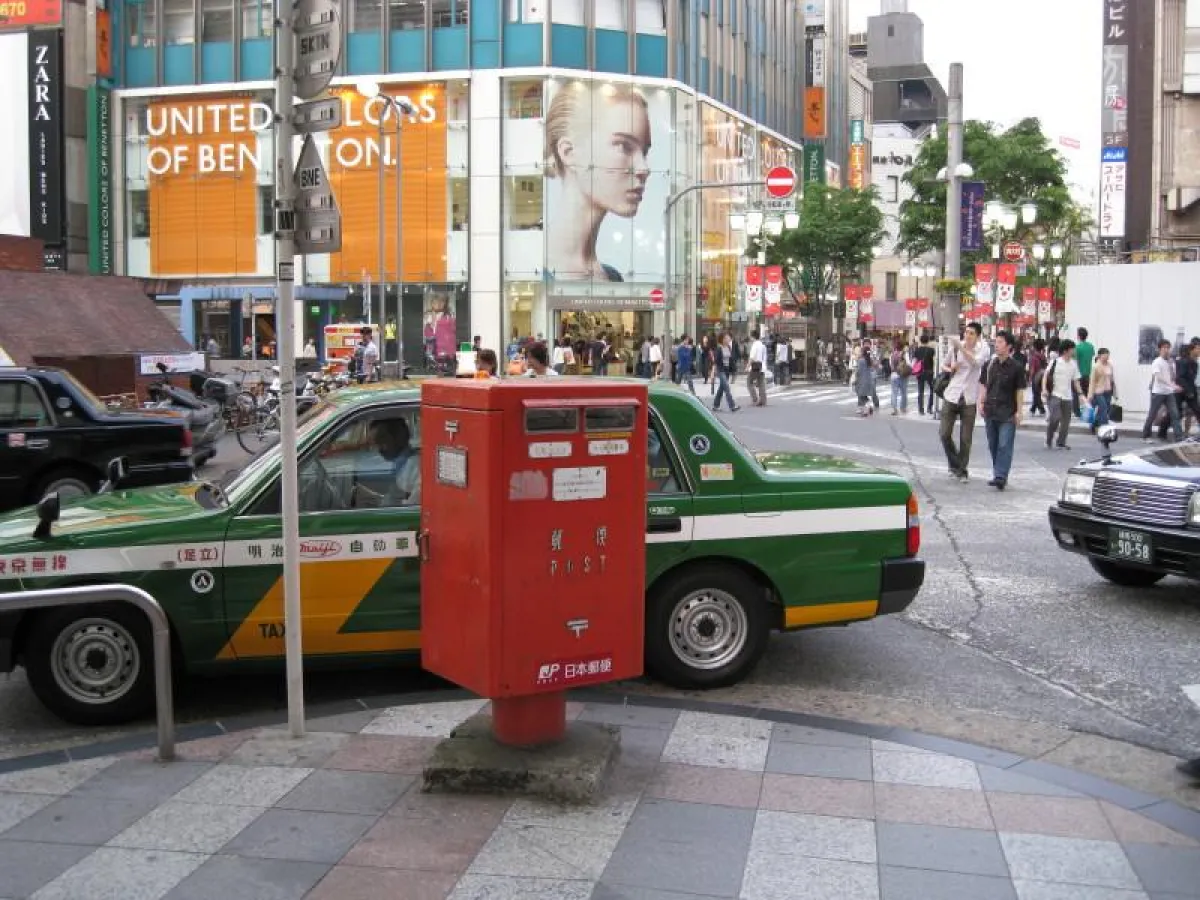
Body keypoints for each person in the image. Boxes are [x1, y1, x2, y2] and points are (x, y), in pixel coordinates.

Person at [544, 82, 651, 282]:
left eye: (644, 152)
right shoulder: (528, 273)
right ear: (569, 152)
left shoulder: (612, 277)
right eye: (624, 147)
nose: (644, 168)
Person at [979, 330, 1027, 491]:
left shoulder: (1016, 367)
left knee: (1004, 444)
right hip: (990, 410)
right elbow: (984, 385)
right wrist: (981, 402)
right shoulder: (989, 364)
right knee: (993, 444)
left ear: (1009, 346)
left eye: (1000, 342)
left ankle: (1000, 476)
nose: (997, 345)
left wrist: (1019, 411)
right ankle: (998, 472)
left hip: (1007, 411)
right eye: (996, 342)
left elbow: (1020, 390)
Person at [939, 323, 986, 482]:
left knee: (966, 438)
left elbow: (975, 363)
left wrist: (960, 347)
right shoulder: (955, 349)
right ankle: (954, 464)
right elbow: (943, 365)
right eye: (966, 332)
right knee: (944, 434)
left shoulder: (982, 349)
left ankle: (962, 470)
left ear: (978, 336)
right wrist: (951, 368)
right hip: (952, 394)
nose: (967, 335)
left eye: (971, 333)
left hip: (969, 398)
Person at [366, 418, 421, 507]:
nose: (379, 449)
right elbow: (395, 497)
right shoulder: (400, 463)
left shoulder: (417, 467)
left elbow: (411, 507)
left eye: (383, 441)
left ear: (399, 437)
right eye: (376, 444)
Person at [1044, 339, 1083, 450]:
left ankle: (1061, 442)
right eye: (1072, 349)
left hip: (1068, 396)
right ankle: (1049, 438)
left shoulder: (1073, 364)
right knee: (1055, 418)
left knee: (1066, 422)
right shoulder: (1055, 362)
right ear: (1066, 350)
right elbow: (1046, 376)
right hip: (1055, 394)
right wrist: (1044, 389)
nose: (1074, 351)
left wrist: (1081, 394)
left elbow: (1076, 381)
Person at [1142, 338, 1184, 443]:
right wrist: (1171, 385)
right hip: (1158, 392)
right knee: (1152, 414)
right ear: (1159, 349)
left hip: (1169, 392)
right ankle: (1146, 436)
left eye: (1168, 348)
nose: (1166, 350)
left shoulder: (1171, 362)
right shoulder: (1157, 362)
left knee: (1175, 414)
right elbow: (1159, 377)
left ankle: (1179, 438)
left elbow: (1172, 376)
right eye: (1164, 348)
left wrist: (1174, 385)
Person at [1086, 347, 1115, 433]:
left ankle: (1094, 424)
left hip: (1108, 391)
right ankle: (1104, 429)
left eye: (1108, 356)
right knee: (1104, 408)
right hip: (1098, 391)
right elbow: (1092, 381)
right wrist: (1090, 395)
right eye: (1105, 356)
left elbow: (1112, 379)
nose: (1106, 358)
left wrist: (1115, 392)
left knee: (1105, 410)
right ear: (1099, 356)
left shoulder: (1110, 365)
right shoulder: (1096, 366)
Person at [713, 333, 739, 413]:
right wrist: (713, 372)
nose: (729, 340)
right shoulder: (719, 348)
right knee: (727, 388)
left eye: (729, 338)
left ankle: (716, 405)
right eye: (727, 338)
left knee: (721, 389)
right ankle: (732, 406)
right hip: (721, 370)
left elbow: (731, 360)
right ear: (723, 339)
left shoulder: (728, 348)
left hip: (727, 370)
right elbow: (716, 361)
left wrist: (734, 370)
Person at [1074, 327, 1095, 418]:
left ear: (1078, 336)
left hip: (1079, 374)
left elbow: (1076, 362)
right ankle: (1087, 411)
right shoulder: (1090, 346)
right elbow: (1092, 356)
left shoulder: (1077, 347)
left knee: (1076, 393)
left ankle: (1077, 412)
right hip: (1088, 373)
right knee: (1087, 393)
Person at [913, 335, 936, 417]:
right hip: (929, 372)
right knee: (932, 390)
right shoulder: (931, 350)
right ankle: (929, 407)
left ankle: (920, 409)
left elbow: (914, 362)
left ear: (920, 341)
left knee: (920, 391)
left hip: (920, 372)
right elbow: (934, 361)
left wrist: (914, 371)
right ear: (928, 341)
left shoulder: (917, 350)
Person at [889, 339, 911, 416]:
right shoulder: (905, 354)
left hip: (894, 375)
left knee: (894, 393)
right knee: (904, 392)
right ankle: (903, 408)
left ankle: (894, 409)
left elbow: (890, 365)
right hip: (903, 375)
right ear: (903, 346)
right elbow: (909, 364)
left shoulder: (892, 354)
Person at [1027, 339, 1048, 417]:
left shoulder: (1033, 357)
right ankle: (1033, 409)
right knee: (1037, 394)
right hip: (1043, 377)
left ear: (1034, 347)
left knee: (1036, 394)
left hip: (1036, 377)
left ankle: (1041, 410)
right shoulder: (1043, 356)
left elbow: (1032, 369)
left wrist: (1030, 378)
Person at [747, 330, 768, 406]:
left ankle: (754, 398)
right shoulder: (763, 345)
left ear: (753, 337)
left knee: (749, 382)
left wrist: (747, 366)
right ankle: (763, 400)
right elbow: (765, 357)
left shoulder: (755, 345)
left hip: (755, 366)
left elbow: (752, 357)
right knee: (761, 383)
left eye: (751, 336)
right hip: (762, 366)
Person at [853, 347, 876, 417]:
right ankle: (868, 407)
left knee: (860, 394)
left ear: (863, 352)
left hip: (862, 380)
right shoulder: (869, 360)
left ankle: (867, 408)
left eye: (861, 351)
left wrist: (855, 379)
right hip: (869, 380)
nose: (860, 352)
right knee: (864, 395)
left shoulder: (861, 361)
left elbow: (858, 371)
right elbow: (873, 368)